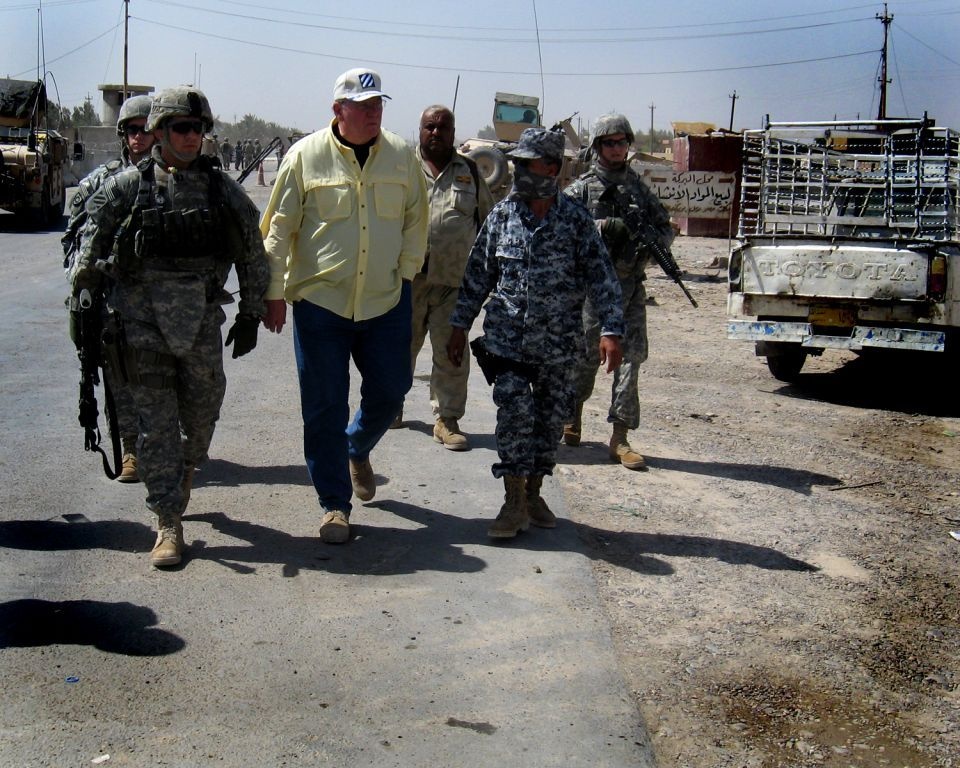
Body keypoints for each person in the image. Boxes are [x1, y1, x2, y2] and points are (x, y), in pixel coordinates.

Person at [67, 87, 270, 567]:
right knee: (156, 423)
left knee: (201, 414)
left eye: (198, 128)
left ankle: (184, 467)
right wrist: (83, 310)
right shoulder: (125, 189)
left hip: (200, 322)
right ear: (159, 132)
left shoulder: (223, 192)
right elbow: (90, 254)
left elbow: (252, 253)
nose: (191, 136)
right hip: (141, 324)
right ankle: (168, 522)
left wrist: (251, 313)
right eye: (181, 127)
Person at [260, 67, 427, 545]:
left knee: (392, 391)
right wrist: (274, 293)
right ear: (339, 110)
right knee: (324, 405)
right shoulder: (303, 157)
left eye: (379, 105)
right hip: (321, 303)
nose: (375, 113)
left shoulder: (400, 156)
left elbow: (417, 219)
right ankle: (335, 505)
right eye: (364, 106)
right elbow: (278, 231)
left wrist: (408, 272)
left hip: (385, 300)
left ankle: (356, 447)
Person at [447, 127, 624, 538]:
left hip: (559, 346)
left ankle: (533, 490)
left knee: (547, 425)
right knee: (514, 419)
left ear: (553, 168)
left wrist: (611, 330)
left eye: (529, 164)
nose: (520, 171)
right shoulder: (502, 216)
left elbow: (602, 279)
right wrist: (459, 325)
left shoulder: (576, 221)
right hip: (507, 343)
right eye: (518, 164)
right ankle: (512, 500)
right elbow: (477, 276)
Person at [562, 113, 674, 471]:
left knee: (631, 359)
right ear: (598, 146)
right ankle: (571, 413)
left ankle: (620, 436)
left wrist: (649, 242)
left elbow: (664, 227)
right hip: (593, 290)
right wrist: (604, 228)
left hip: (630, 287)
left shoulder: (639, 189)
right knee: (585, 358)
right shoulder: (582, 188)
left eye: (622, 142)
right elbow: (562, 228)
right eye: (609, 142)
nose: (616, 148)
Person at [61, 94, 155, 484]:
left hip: (159, 300)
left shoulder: (173, 181)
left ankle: (163, 443)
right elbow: (73, 238)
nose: (139, 138)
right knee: (118, 375)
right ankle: (131, 447)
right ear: (123, 134)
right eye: (132, 130)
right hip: (114, 302)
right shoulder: (101, 182)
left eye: (146, 131)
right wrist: (80, 282)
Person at [392, 105, 493, 450]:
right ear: (419, 131)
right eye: (429, 127)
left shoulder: (470, 173)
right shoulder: (401, 169)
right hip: (407, 279)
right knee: (398, 346)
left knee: (451, 353)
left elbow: (489, 224)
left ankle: (447, 419)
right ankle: (390, 405)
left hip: (453, 282)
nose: (435, 133)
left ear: (453, 133)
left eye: (443, 128)